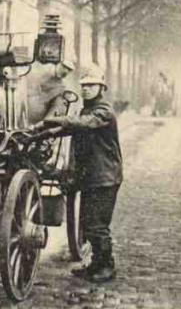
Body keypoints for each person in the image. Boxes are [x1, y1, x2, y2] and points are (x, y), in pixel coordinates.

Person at [33, 63, 123, 283]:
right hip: (92, 176)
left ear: (101, 87)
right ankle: (95, 264)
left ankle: (107, 266)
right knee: (88, 222)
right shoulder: (87, 109)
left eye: (91, 85)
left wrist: (55, 120)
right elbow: (71, 127)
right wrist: (41, 132)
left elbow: (82, 124)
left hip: (105, 176)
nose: (86, 89)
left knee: (97, 225)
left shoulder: (103, 111)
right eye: (83, 86)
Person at [26, 59, 76, 125]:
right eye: (64, 66)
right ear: (59, 63)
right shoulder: (42, 70)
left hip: (41, 116)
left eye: (69, 70)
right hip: (26, 108)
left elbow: (56, 106)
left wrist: (45, 122)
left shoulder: (61, 87)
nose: (65, 71)